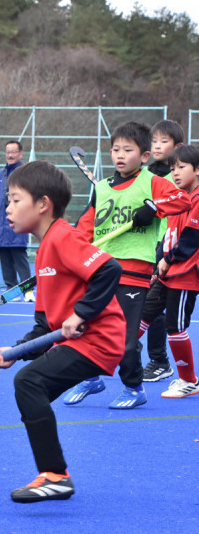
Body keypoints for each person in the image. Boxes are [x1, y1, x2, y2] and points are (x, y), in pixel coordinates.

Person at [0, 160, 125, 503]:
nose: (7, 208)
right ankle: (53, 474)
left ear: (43, 204)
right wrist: (16, 351)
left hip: (98, 339)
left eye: (15, 199)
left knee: (30, 383)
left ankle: (54, 475)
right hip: (82, 341)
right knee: (31, 388)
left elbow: (109, 269)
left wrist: (82, 313)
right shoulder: (43, 250)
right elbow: (43, 324)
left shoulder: (63, 237)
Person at [64, 121, 190, 409]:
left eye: (127, 150)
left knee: (125, 339)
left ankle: (134, 388)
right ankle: (91, 376)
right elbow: (87, 228)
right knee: (88, 330)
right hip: (100, 270)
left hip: (133, 274)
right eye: (115, 149)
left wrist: (154, 208)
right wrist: (75, 255)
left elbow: (182, 200)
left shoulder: (153, 182)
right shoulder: (102, 188)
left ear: (145, 156)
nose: (120, 155)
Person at [138, 144, 199, 398]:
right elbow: (168, 236)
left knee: (175, 326)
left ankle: (189, 381)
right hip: (168, 270)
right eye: (172, 168)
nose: (175, 173)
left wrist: (168, 260)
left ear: (197, 170)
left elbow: (189, 241)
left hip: (185, 274)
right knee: (142, 314)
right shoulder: (179, 198)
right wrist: (160, 260)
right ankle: (115, 356)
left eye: (181, 168)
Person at [141, 120, 184, 382]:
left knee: (153, 307)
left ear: (177, 147)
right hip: (143, 246)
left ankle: (159, 360)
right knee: (144, 305)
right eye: (154, 141)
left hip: (166, 248)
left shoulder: (175, 178)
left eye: (163, 142)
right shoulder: (145, 174)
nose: (157, 146)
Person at [0, 141, 34, 302]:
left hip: (17, 221)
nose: (10, 155)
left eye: (14, 152)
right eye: (8, 152)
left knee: (19, 254)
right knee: (4, 256)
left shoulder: (26, 174)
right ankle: (11, 289)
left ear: (21, 153)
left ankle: (28, 291)